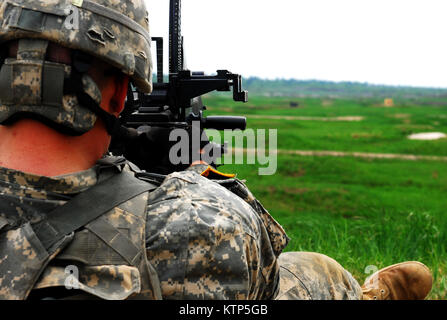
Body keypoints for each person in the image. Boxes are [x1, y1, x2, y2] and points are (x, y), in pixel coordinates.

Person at [0, 0, 432, 300]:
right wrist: (194, 178)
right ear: (119, 93)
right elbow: (264, 259)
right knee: (318, 271)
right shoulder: (200, 225)